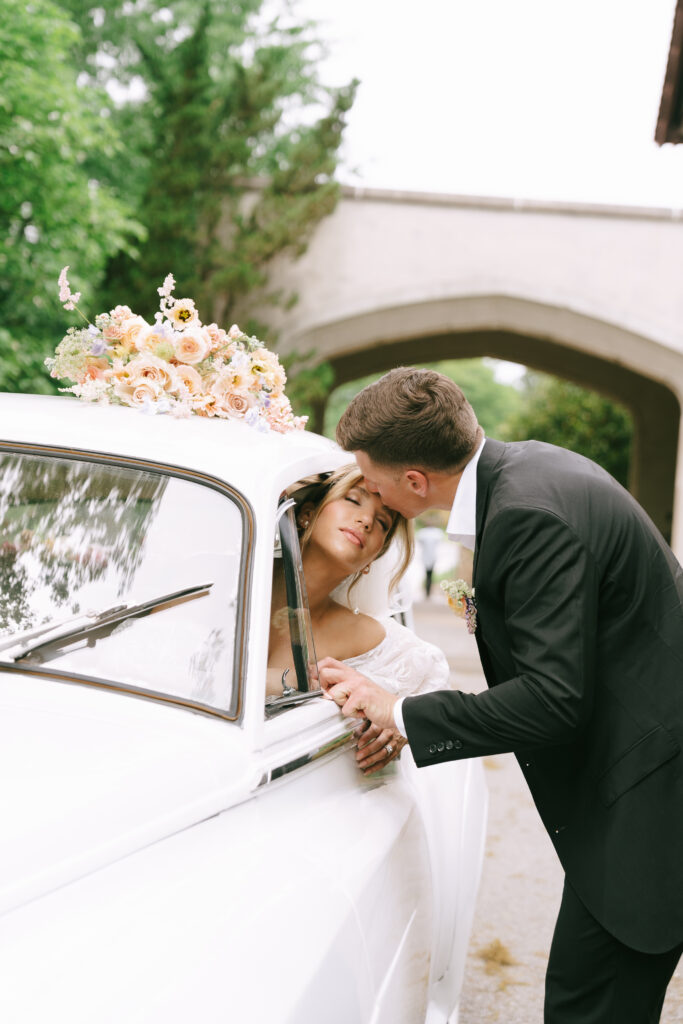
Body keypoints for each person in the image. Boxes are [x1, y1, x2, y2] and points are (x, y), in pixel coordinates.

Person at [317, 367, 683, 1023]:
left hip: (654, 797)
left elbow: (552, 699)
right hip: (645, 778)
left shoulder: (526, 516)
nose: (368, 493)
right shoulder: (529, 474)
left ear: (415, 483)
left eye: (372, 479)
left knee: (588, 1004)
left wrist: (397, 709)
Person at [267, 463, 449, 774]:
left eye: (381, 522)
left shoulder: (378, 641)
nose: (365, 520)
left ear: (373, 558)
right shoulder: (226, 583)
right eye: (353, 500)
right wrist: (284, 681)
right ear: (306, 513)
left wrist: (399, 722)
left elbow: (432, 688)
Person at [416, 522, 444, 597]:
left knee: (429, 574)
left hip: (431, 556)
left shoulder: (435, 533)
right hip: (426, 556)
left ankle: (428, 590)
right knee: (427, 574)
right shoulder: (424, 533)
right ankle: (427, 590)